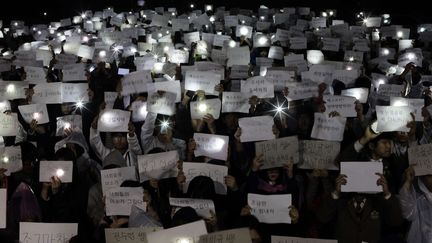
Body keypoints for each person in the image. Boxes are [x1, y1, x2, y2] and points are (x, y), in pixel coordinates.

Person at [399, 166, 432, 243]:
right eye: (429, 175)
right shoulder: (419, 198)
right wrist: (407, 182)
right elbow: (409, 215)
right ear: (423, 179)